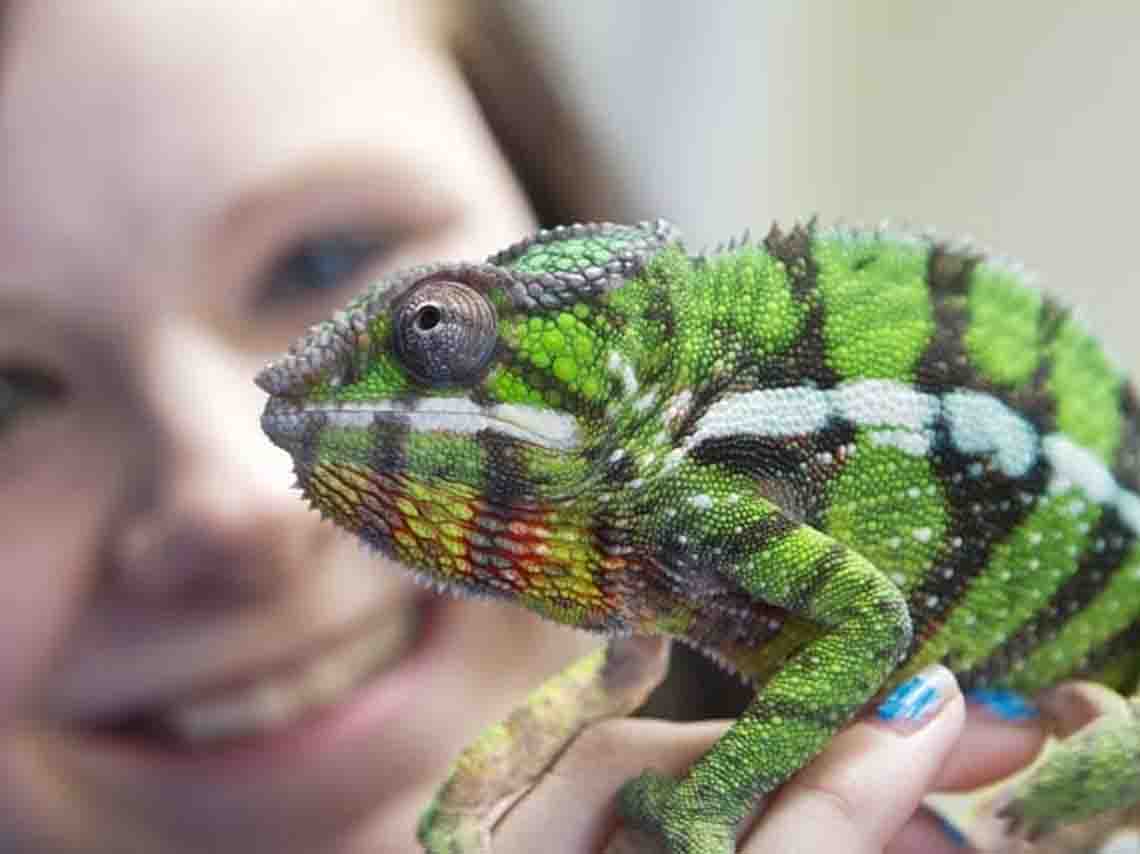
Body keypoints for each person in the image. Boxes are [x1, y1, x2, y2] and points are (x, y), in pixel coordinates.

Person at [0, 2, 1051, 851]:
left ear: (537, 191)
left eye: (325, 257)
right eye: (8, 393)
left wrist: (716, 792)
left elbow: (849, 619)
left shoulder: (675, 489)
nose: (232, 500)